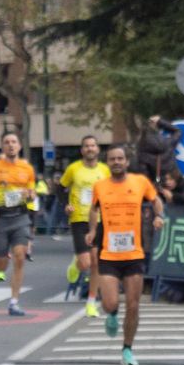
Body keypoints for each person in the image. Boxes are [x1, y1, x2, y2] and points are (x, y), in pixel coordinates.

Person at [87, 145, 164, 365]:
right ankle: (111, 315)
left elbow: (155, 200)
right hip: (109, 253)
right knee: (110, 303)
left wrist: (159, 216)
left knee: (133, 305)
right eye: (112, 159)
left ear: (126, 162)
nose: (117, 162)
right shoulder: (100, 186)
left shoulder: (140, 182)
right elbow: (94, 209)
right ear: (107, 163)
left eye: (120, 158)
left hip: (134, 253)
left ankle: (127, 349)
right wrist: (92, 230)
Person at [0, 132, 36, 316]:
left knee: (19, 255)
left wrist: (30, 195)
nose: (11, 145)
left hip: (20, 216)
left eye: (14, 142)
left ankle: (14, 301)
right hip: (0, 217)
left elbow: (32, 191)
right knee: (1, 265)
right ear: (2, 147)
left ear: (19, 146)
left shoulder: (27, 169)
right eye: (7, 142)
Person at [60, 135, 110, 318]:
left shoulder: (105, 170)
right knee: (86, 263)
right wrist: (66, 204)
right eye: (86, 146)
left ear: (98, 149)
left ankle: (91, 302)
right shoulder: (73, 169)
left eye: (93, 145)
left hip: (99, 219)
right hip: (79, 219)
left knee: (96, 261)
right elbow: (60, 187)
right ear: (82, 150)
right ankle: (76, 264)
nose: (90, 149)